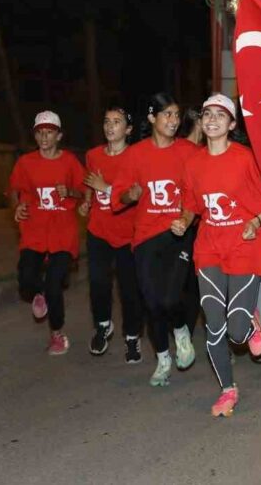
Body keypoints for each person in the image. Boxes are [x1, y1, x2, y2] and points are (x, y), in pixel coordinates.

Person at [174, 94, 261, 417]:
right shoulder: (192, 162)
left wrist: (255, 222)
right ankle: (227, 390)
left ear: (232, 124)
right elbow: (191, 203)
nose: (213, 119)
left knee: (236, 331)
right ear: (201, 122)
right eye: (207, 114)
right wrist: (184, 220)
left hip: (245, 247)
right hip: (209, 248)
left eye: (221, 115)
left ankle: (254, 326)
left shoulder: (246, 159)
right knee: (214, 327)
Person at [111, 93, 201, 387]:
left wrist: (187, 220)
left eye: (176, 115)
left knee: (171, 298)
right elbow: (118, 198)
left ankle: (181, 330)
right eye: (168, 115)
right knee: (152, 302)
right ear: (152, 118)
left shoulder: (189, 151)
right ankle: (163, 359)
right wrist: (131, 195)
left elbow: (199, 193)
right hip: (146, 236)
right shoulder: (135, 154)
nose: (174, 121)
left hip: (178, 232)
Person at [7, 111, 86, 355]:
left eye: (49, 132)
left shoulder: (70, 161)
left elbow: (84, 192)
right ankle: (38, 293)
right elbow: (13, 190)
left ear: (58, 135)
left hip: (63, 234)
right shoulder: (26, 163)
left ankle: (57, 334)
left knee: (54, 285)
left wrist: (70, 193)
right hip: (34, 232)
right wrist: (17, 207)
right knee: (26, 280)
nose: (44, 137)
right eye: (40, 132)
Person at [79, 107, 144, 361]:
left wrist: (105, 188)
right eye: (106, 121)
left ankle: (132, 338)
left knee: (129, 289)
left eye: (116, 122)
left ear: (128, 130)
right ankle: (103, 325)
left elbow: (135, 195)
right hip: (99, 229)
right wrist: (87, 201)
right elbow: (89, 183)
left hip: (128, 233)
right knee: (98, 282)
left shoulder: (136, 157)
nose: (110, 126)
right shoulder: (93, 155)